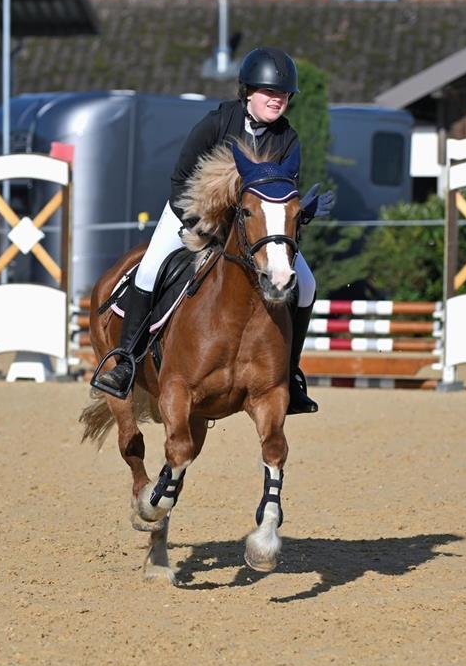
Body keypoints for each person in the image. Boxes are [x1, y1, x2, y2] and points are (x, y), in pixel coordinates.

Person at [94, 47, 330, 414]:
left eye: (283, 95)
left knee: (308, 284)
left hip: (252, 232)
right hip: (193, 214)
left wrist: (302, 214)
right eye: (270, 93)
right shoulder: (216, 123)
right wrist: (196, 225)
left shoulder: (288, 138)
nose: (277, 100)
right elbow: (179, 179)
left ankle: (290, 372)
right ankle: (125, 361)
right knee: (151, 266)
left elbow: (282, 197)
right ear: (248, 91)